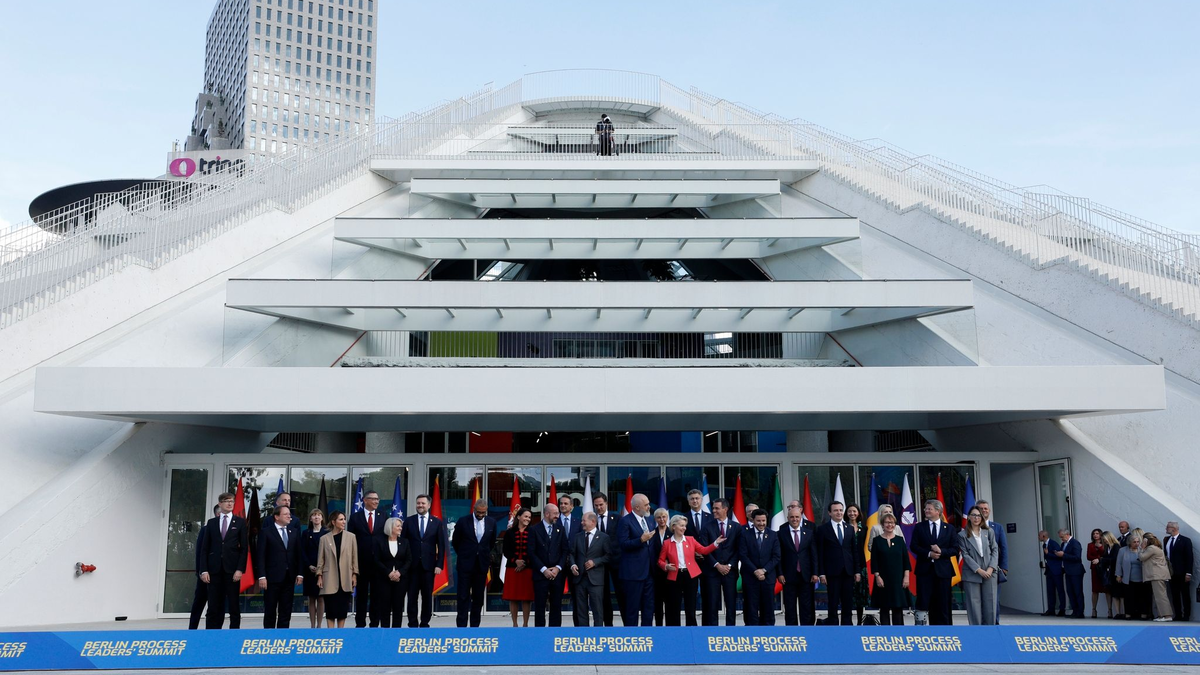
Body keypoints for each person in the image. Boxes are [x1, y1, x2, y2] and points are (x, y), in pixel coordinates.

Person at [658, 514, 725, 626]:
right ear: (674, 526)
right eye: (681, 525)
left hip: (690, 575)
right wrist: (666, 566)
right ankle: (675, 630)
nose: (684, 528)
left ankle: (691, 629)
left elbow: (704, 550)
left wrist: (715, 543)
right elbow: (660, 560)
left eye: (685, 526)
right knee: (675, 605)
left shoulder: (690, 540)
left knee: (691, 604)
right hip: (675, 575)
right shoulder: (667, 543)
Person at [198, 492, 248, 630]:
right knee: (213, 605)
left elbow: (244, 548)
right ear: (220, 504)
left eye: (232, 501)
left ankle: (234, 635)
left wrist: (240, 569)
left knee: (233, 605)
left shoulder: (240, 522)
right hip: (214, 570)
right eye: (226, 501)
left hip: (232, 571)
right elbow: (205, 549)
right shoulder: (212, 523)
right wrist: (204, 570)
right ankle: (211, 635)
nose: (230, 503)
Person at [910, 499, 958, 625]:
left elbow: (955, 549)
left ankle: (945, 631)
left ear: (938, 511)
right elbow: (913, 546)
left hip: (943, 572)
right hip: (925, 572)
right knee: (923, 603)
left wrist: (941, 551)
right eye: (925, 508)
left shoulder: (949, 528)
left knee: (943, 604)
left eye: (929, 508)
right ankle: (923, 631)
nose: (926, 510)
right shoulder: (919, 527)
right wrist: (929, 554)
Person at [403, 494, 448, 628]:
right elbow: (403, 544)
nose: (420, 506)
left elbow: (441, 545)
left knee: (427, 596)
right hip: (411, 566)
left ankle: (424, 622)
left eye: (423, 503)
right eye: (418, 503)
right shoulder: (409, 521)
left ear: (429, 505)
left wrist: (439, 564)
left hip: (429, 566)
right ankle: (412, 622)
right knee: (412, 596)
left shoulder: (437, 522)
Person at [256, 504, 304, 629]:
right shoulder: (266, 532)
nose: (289, 517)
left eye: (290, 514)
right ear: (277, 517)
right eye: (286, 514)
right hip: (271, 578)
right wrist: (261, 576)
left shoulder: (293, 532)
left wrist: (300, 573)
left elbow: (299, 554)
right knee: (270, 610)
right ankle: (269, 637)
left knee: (286, 610)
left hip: (289, 577)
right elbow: (260, 556)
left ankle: (283, 637)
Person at [816, 500, 862, 625]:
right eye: (835, 510)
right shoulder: (822, 529)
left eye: (841, 510)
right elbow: (819, 553)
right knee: (833, 600)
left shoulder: (849, 528)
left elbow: (854, 551)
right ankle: (833, 625)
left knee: (847, 601)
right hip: (831, 572)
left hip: (848, 571)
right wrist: (821, 573)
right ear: (830, 513)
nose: (839, 512)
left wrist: (857, 571)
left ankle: (847, 625)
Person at [451, 498, 496, 628]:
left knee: (478, 597)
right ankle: (461, 627)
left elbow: (490, 542)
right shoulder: (463, 521)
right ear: (474, 509)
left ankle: (475, 627)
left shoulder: (491, 522)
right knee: (463, 596)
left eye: (483, 512)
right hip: (465, 564)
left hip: (481, 565)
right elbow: (456, 541)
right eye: (479, 512)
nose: (481, 515)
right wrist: (466, 554)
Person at [347, 490, 387, 627]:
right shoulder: (355, 517)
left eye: (378, 499)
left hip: (379, 562)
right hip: (361, 562)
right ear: (365, 500)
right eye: (373, 499)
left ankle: (375, 623)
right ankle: (360, 623)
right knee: (362, 595)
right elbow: (350, 540)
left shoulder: (383, 516)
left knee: (377, 594)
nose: (376, 501)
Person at [616, 493, 656, 626]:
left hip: (649, 571)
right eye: (646, 505)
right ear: (637, 507)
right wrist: (640, 540)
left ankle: (647, 635)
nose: (649, 507)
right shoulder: (625, 521)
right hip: (633, 574)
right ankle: (632, 636)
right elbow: (623, 544)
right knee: (632, 608)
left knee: (648, 607)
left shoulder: (649, 520)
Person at [701, 498, 741, 626]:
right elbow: (705, 549)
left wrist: (729, 565)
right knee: (712, 604)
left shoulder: (736, 527)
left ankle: (730, 631)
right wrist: (717, 565)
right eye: (713, 508)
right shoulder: (707, 527)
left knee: (731, 604)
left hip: (730, 572)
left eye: (717, 508)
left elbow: (739, 549)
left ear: (725, 509)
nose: (714, 511)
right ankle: (713, 632)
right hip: (713, 572)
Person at [315, 510, 358, 628]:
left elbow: (355, 558)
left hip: (345, 577)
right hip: (329, 578)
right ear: (333, 522)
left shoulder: (351, 537)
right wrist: (319, 576)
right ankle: (331, 634)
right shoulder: (324, 539)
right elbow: (321, 559)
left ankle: (341, 633)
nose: (344, 522)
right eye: (341, 519)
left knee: (342, 609)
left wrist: (354, 575)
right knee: (330, 609)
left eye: (344, 519)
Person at [777, 506, 818, 626]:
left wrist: (815, 573)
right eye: (792, 517)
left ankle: (807, 631)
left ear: (801, 518)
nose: (795, 519)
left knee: (806, 606)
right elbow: (779, 556)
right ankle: (792, 631)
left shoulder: (809, 533)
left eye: (797, 517)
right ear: (788, 518)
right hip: (788, 576)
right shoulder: (781, 534)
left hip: (806, 575)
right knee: (790, 606)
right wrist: (780, 573)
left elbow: (813, 554)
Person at [957, 506, 998, 625]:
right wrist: (979, 570)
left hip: (990, 573)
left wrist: (991, 568)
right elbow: (965, 555)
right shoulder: (962, 535)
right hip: (972, 573)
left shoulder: (989, 531)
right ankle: (976, 632)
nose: (976, 518)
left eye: (979, 515)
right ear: (969, 517)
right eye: (974, 515)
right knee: (974, 605)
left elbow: (995, 550)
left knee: (990, 603)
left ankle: (990, 632)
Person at [569, 511, 611, 627]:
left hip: (596, 579)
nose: (581, 523)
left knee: (597, 608)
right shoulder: (577, 537)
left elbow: (608, 556)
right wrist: (573, 565)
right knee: (581, 609)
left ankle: (597, 633)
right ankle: (583, 634)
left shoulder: (604, 537)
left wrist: (595, 562)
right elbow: (571, 554)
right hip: (580, 579)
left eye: (583, 520)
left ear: (592, 522)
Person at [739, 508, 780, 625]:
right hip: (750, 577)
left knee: (768, 607)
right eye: (758, 521)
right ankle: (751, 632)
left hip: (768, 578)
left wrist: (764, 570)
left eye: (763, 521)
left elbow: (776, 556)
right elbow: (743, 555)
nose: (761, 523)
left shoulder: (773, 535)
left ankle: (767, 632)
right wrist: (755, 571)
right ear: (753, 520)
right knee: (750, 607)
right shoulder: (745, 535)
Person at [530, 502, 568, 627]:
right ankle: (540, 634)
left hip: (557, 575)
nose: (558, 516)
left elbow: (565, 550)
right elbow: (531, 552)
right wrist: (544, 569)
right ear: (547, 514)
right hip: (541, 575)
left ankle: (555, 632)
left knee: (556, 605)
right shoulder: (534, 529)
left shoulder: (560, 529)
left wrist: (558, 568)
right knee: (540, 606)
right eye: (555, 513)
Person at [869, 513, 911, 625]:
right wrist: (877, 577)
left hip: (898, 579)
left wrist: (906, 577)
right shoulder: (877, 540)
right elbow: (874, 561)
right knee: (884, 608)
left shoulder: (900, 540)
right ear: (882, 524)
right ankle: (885, 633)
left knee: (898, 608)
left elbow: (906, 561)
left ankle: (898, 634)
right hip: (883, 579)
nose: (889, 525)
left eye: (892, 522)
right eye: (887, 522)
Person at [372, 517, 411, 628]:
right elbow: (376, 560)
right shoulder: (379, 541)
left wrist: (399, 573)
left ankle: (396, 633)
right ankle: (385, 632)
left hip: (401, 580)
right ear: (390, 527)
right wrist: (389, 573)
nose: (400, 528)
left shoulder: (405, 542)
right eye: (398, 526)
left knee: (398, 607)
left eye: (401, 526)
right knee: (384, 607)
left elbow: (408, 560)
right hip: (384, 579)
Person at [592, 493, 622, 626]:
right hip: (599, 563)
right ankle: (607, 624)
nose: (599, 508)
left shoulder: (617, 518)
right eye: (596, 505)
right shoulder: (592, 520)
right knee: (603, 596)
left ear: (606, 504)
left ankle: (627, 624)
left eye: (601, 505)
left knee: (621, 593)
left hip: (616, 562)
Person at [188, 504, 220, 630]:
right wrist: (200, 571)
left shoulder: (228, 530)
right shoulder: (206, 529)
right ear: (218, 514)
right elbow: (200, 552)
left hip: (220, 574)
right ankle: (192, 629)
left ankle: (212, 630)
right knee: (199, 602)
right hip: (205, 574)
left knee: (215, 605)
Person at [502, 507, 535, 627]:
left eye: (529, 517)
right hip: (512, 568)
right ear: (519, 517)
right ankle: (514, 624)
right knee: (513, 597)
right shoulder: (509, 532)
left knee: (527, 597)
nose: (528, 519)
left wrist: (524, 562)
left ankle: (525, 624)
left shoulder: (533, 532)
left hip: (528, 568)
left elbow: (534, 550)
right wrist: (516, 561)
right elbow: (506, 550)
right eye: (526, 516)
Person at [684, 489, 713, 621]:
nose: (695, 501)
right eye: (692, 499)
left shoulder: (711, 518)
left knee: (708, 595)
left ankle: (707, 625)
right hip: (690, 561)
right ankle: (691, 624)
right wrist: (694, 552)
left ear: (701, 500)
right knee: (690, 596)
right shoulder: (683, 518)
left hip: (708, 562)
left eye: (697, 498)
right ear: (688, 501)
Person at [976, 500, 1007, 622]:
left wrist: (1004, 567)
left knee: (994, 600)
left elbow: (1003, 547)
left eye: (986, 509)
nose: (984, 511)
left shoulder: (997, 527)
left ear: (989, 511)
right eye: (981, 508)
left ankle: (995, 624)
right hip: (976, 570)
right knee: (978, 600)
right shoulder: (970, 528)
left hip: (993, 569)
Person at [301, 508, 328, 628]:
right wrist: (309, 565)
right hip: (310, 570)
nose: (316, 517)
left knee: (321, 597)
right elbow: (302, 551)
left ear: (322, 518)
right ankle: (312, 625)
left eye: (318, 515)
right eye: (314, 515)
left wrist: (321, 567)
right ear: (310, 518)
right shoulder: (306, 533)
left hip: (323, 570)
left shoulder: (327, 533)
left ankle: (319, 625)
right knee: (311, 598)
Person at [1116, 528, 1148, 620]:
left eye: (1138, 542)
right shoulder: (1123, 550)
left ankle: (1143, 613)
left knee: (1141, 597)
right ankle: (1129, 613)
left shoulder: (1142, 550)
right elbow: (1119, 563)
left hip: (1141, 577)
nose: (1137, 544)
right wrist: (1118, 575)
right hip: (1128, 577)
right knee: (1129, 596)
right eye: (1134, 542)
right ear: (1129, 542)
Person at [1164, 521, 1194, 621]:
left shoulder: (1185, 540)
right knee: (1174, 594)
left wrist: (1188, 573)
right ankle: (1178, 614)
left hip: (1182, 572)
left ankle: (1186, 615)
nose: (1166, 529)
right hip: (1171, 572)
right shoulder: (1166, 540)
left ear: (1174, 528)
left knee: (1185, 594)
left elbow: (1189, 557)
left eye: (1167, 527)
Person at [1140, 533, 1174, 621]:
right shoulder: (1156, 547)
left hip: (1157, 575)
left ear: (1146, 540)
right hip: (1159, 575)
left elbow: (1142, 557)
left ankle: (1166, 615)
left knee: (1160, 596)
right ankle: (1162, 615)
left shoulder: (1151, 548)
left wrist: (1142, 548)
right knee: (1159, 596)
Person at [845, 503, 868, 624]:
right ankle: (848, 621)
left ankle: (859, 621)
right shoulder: (843, 527)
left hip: (861, 564)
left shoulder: (864, 528)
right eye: (849, 511)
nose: (852, 514)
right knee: (848, 594)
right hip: (847, 563)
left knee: (860, 596)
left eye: (854, 511)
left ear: (858, 513)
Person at [648, 508, 671, 626]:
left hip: (670, 573)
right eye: (659, 517)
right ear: (655, 519)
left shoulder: (673, 533)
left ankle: (670, 628)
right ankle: (658, 626)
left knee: (670, 602)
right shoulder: (651, 533)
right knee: (657, 602)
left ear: (667, 518)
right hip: (656, 573)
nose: (662, 520)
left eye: (664, 517)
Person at [1058, 528, 1086, 618]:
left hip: (1076, 571)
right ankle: (1075, 610)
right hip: (1068, 570)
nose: (1061, 539)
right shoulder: (1063, 544)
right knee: (1070, 591)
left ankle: (1080, 612)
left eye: (1062, 537)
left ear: (1067, 534)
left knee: (1077, 591)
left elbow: (1077, 557)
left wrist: (1064, 555)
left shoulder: (1074, 543)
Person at [557, 494, 579, 606]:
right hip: (557, 563)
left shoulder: (579, 522)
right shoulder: (554, 522)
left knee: (576, 596)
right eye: (561, 503)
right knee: (556, 597)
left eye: (566, 503)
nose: (563, 505)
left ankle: (577, 623)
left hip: (574, 563)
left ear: (572, 507)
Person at [1039, 530, 1066, 616]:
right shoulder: (1044, 545)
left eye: (1039, 535)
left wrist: (1048, 554)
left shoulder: (1053, 544)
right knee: (1050, 591)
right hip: (1049, 571)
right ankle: (1051, 609)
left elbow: (1058, 556)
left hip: (1056, 570)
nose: (1038, 537)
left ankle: (1062, 609)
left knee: (1060, 590)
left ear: (1043, 536)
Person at [1087, 528, 1110, 619]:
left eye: (1097, 533)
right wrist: (1097, 558)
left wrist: (1099, 548)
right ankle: (1094, 609)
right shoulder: (1090, 545)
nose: (1095, 535)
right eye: (1094, 534)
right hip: (1095, 568)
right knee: (1095, 590)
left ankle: (1110, 610)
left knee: (1107, 589)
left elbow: (1105, 554)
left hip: (1104, 568)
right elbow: (1089, 556)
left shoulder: (1105, 544)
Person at [1102, 531, 1123, 619]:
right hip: (1110, 573)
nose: (1104, 541)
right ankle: (1118, 612)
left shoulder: (1116, 546)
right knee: (1114, 593)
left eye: (1105, 539)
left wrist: (1102, 560)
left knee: (1120, 593)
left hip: (1117, 572)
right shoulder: (1107, 547)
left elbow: (1115, 559)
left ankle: (1122, 612)